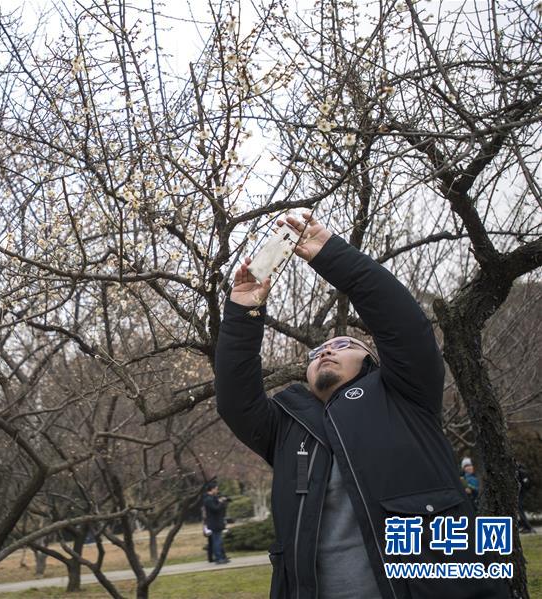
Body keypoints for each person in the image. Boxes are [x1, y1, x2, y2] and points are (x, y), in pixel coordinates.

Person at [215, 213, 508, 599]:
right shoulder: (286, 426)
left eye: (343, 345)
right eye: (318, 351)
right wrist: (243, 311)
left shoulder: (405, 394)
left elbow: (403, 325)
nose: (326, 351)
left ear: (370, 363)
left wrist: (332, 255)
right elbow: (235, 397)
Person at [203, 481, 230, 565]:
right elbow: (215, 509)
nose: (217, 491)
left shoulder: (212, 498)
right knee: (216, 541)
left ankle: (221, 557)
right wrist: (221, 502)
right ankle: (218, 558)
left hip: (217, 522)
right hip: (214, 523)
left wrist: (223, 501)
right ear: (212, 489)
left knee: (218, 541)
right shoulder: (208, 499)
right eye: (216, 489)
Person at [517, 462, 534, 534]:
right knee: (519, 509)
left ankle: (528, 527)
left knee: (519, 508)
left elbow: (525, 484)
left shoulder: (521, 472)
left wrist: (521, 491)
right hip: (522, 492)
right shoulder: (522, 471)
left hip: (521, 492)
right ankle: (526, 526)